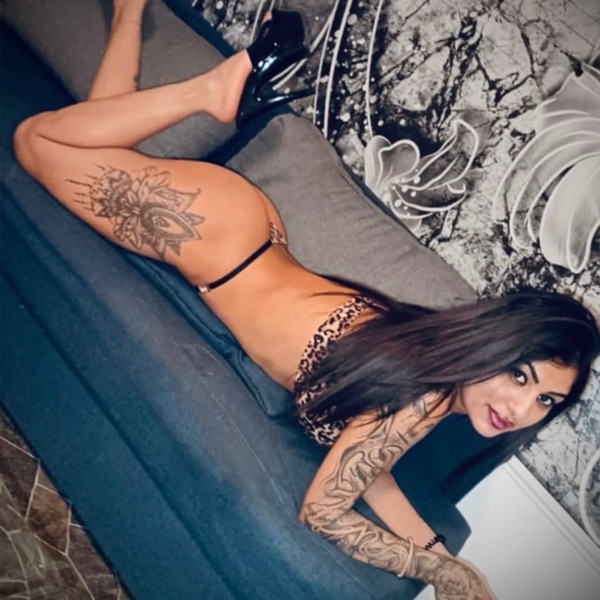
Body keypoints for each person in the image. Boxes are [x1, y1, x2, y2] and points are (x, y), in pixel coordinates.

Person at [12, 2, 600, 598]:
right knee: (34, 140)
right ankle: (209, 91)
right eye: (521, 375)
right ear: (496, 345)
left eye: (546, 401)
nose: (520, 408)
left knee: (86, 132)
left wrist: (445, 558)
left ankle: (130, 12)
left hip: (242, 233)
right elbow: (323, 511)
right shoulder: (425, 395)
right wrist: (436, 570)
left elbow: (369, 465)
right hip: (216, 240)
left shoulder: (432, 378)